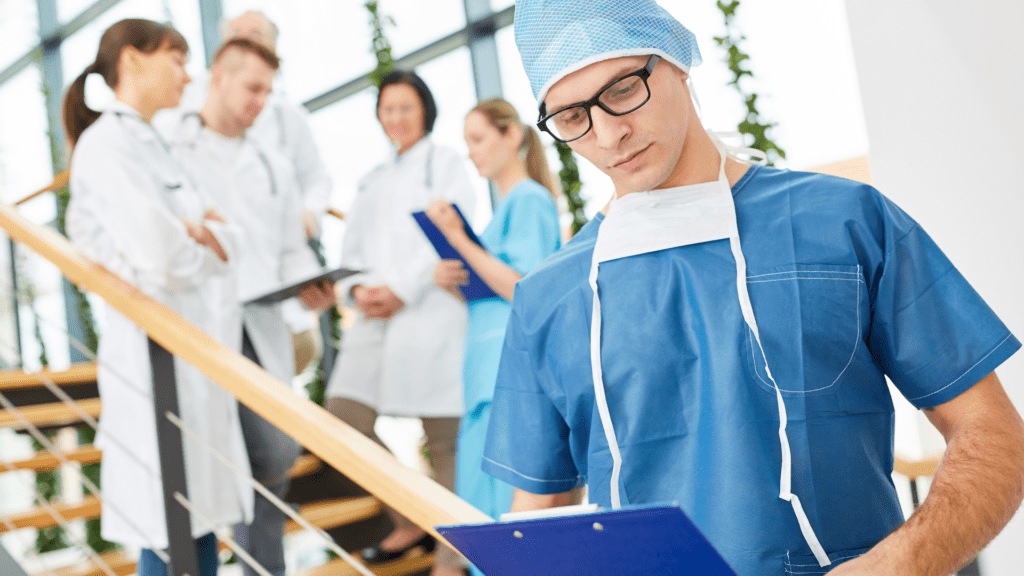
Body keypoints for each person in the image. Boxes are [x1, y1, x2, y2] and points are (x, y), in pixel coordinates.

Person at [481, 1, 1024, 575]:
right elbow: (536, 529)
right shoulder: (549, 299)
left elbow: (993, 433)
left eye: (621, 90)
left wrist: (899, 565)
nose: (610, 133)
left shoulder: (844, 225)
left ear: (676, 59)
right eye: (572, 118)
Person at [63, 19, 250, 576]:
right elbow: (164, 258)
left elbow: (228, 237)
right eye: (176, 58)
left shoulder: (157, 146)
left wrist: (199, 235)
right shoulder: (106, 146)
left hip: (193, 357)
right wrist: (198, 239)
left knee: (197, 530)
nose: (186, 75)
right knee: (169, 531)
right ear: (133, 60)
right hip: (156, 365)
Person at [162, 38, 335, 576]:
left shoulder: (273, 164)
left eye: (268, 90)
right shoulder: (169, 139)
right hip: (192, 322)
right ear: (218, 76)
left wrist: (311, 286)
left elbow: (288, 251)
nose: (262, 101)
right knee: (193, 467)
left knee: (274, 452)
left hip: (257, 322)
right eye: (253, 88)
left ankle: (264, 568)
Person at [324, 70, 474, 576]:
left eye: (406, 108)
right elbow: (352, 254)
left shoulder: (447, 164)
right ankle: (408, 516)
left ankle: (451, 559)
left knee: (445, 438)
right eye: (388, 109)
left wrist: (403, 289)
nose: (397, 118)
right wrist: (357, 290)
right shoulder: (370, 180)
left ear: (425, 110)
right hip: (374, 319)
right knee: (342, 414)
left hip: (430, 310)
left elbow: (455, 242)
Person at [426, 98, 561, 537]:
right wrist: (456, 280)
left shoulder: (530, 201)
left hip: (508, 369)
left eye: (478, 139)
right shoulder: (502, 214)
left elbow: (523, 286)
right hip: (485, 371)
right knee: (481, 512)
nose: (471, 152)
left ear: (512, 135)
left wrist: (457, 241)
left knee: (505, 519)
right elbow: (491, 293)